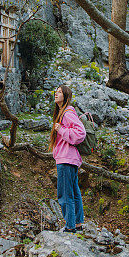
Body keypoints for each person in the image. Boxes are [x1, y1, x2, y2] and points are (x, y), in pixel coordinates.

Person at [49, 84, 86, 233]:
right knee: (74, 192)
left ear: (65, 96)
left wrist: (61, 130)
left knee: (65, 194)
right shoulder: (63, 112)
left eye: (59, 92)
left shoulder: (67, 113)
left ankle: (70, 226)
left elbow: (80, 133)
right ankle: (77, 223)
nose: (56, 94)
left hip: (66, 159)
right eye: (56, 91)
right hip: (70, 159)